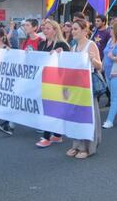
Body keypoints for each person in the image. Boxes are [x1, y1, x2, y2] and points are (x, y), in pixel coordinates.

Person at [66, 19, 102, 159]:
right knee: (76, 116)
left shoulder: (91, 45)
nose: (72, 31)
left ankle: (88, 147)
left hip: (88, 85)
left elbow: (100, 66)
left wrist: (93, 59)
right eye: (72, 29)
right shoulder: (73, 47)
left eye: (75, 29)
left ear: (84, 31)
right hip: (76, 86)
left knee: (88, 115)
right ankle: (77, 145)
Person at [35, 19, 70, 147]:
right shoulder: (42, 44)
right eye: (44, 28)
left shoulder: (62, 45)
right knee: (52, 109)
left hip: (58, 82)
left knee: (50, 109)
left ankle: (46, 137)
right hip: (45, 80)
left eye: (48, 28)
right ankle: (57, 135)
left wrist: (61, 54)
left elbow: (69, 63)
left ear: (55, 30)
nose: (45, 30)